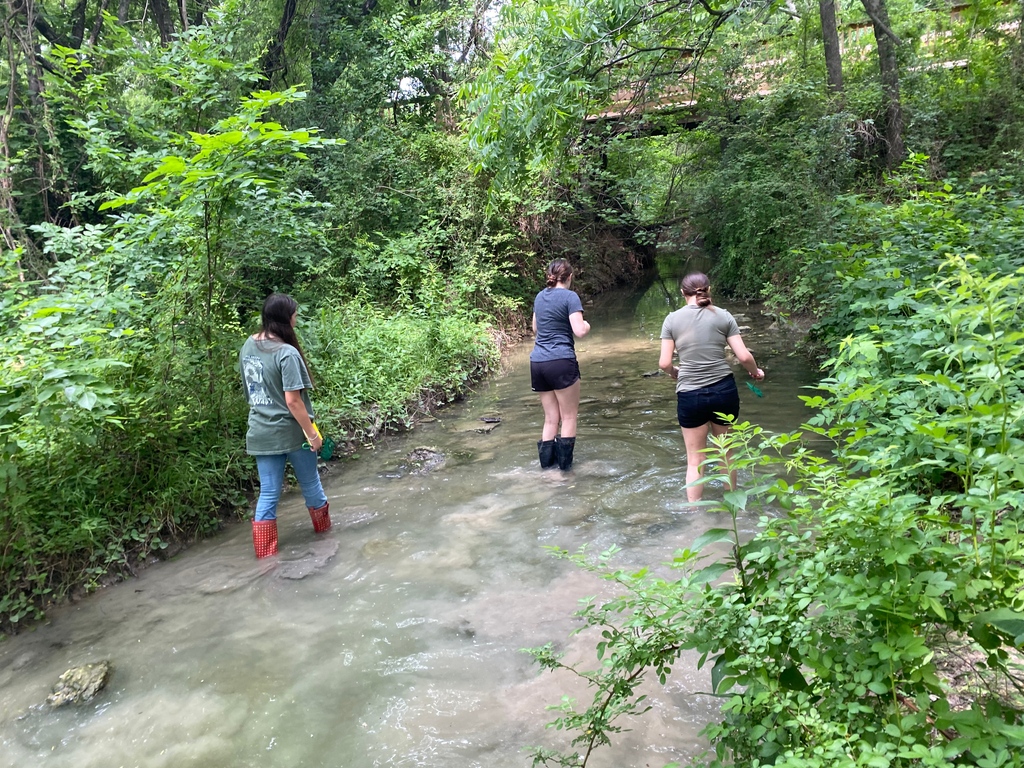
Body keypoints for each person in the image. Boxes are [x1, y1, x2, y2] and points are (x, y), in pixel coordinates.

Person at [239, 293, 331, 558]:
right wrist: (313, 435)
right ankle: (326, 540)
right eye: (295, 314)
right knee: (311, 485)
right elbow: (294, 402)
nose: (297, 318)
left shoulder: (248, 345)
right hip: (291, 433)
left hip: (260, 431)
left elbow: (250, 390)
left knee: (268, 493)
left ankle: (265, 558)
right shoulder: (287, 353)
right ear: (285, 318)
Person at [659, 272, 764, 502]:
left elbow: (664, 363)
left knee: (695, 459)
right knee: (726, 454)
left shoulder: (672, 320)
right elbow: (744, 356)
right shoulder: (723, 316)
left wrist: (675, 373)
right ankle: (734, 508)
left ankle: (695, 516)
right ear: (708, 289)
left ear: (682, 293)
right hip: (723, 392)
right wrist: (755, 372)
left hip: (690, 394)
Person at [530, 259, 591, 470]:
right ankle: (565, 471)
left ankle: (546, 470)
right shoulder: (570, 297)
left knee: (550, 419)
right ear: (570, 277)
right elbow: (580, 331)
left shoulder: (539, 296)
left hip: (537, 362)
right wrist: (586, 324)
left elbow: (535, 328)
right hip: (561, 361)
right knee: (568, 416)